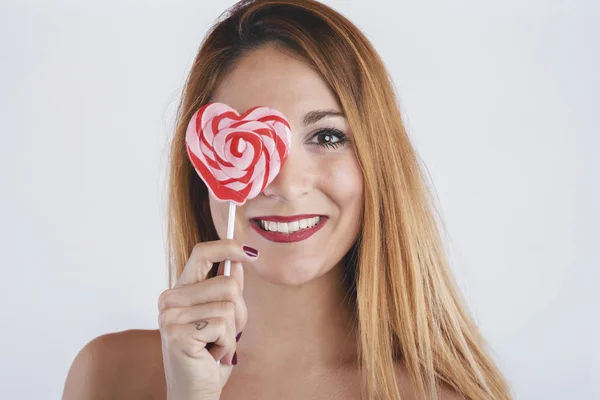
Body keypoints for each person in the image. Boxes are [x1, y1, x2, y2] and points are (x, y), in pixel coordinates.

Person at [62, 0, 513, 399]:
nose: (284, 182)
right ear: (204, 167)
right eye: (244, 139)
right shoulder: (109, 376)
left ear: (380, 162)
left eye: (327, 135)